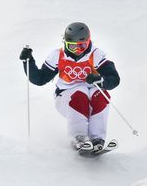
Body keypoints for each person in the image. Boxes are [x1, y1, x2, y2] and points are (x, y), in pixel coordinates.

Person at [19, 22, 121, 152]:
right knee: (80, 91)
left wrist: (101, 80)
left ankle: (97, 139)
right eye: (72, 46)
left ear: (89, 41)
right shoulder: (58, 56)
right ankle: (79, 138)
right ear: (65, 43)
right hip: (66, 98)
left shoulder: (96, 55)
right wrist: (28, 62)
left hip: (91, 100)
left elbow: (114, 79)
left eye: (82, 46)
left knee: (100, 94)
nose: (78, 51)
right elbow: (40, 79)